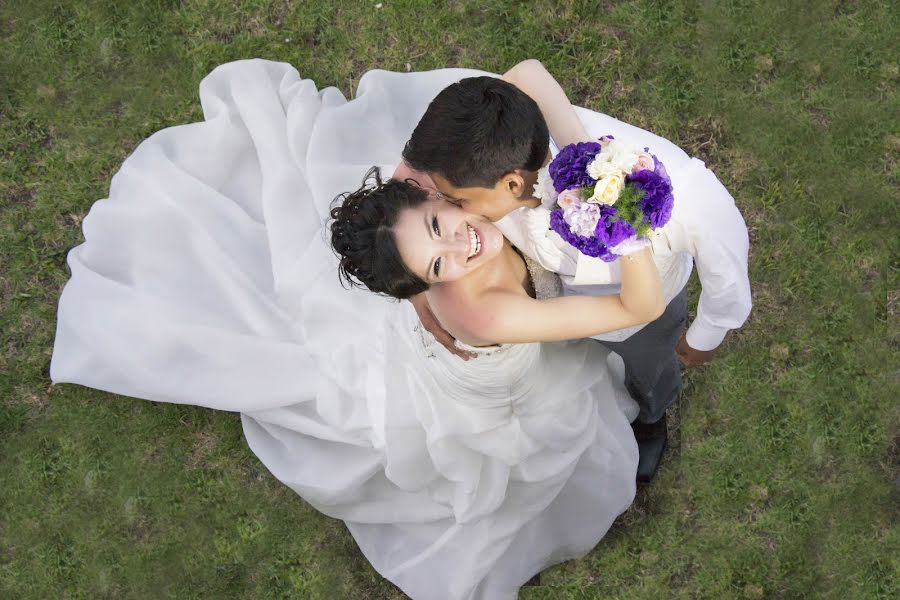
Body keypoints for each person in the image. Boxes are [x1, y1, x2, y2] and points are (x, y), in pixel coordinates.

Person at [48, 59, 659, 600]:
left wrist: (592, 160)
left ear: (429, 193)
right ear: (428, 281)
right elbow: (639, 310)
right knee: (544, 441)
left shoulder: (429, 209)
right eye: (439, 262)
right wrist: (621, 216)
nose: (464, 241)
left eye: (444, 221)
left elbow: (522, 75)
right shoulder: (490, 310)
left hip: (447, 311)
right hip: (497, 371)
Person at [401, 60, 752, 482]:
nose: (452, 209)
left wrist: (708, 332)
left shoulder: (676, 192)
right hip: (571, 302)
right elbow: (526, 72)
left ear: (513, 185)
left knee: (650, 365)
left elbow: (724, 254)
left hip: (646, 311)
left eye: (458, 200)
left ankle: (652, 414)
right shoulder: (494, 154)